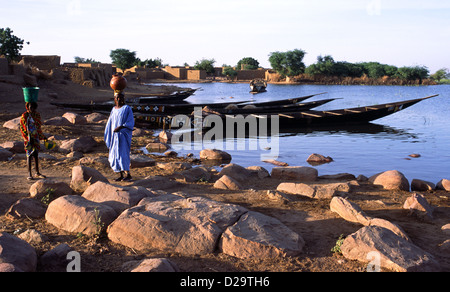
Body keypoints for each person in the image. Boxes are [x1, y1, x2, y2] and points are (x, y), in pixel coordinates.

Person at [104, 92, 135, 181]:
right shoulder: (113, 109)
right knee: (114, 155)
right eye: (117, 98)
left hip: (123, 136)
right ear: (114, 99)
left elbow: (130, 122)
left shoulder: (127, 108)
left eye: (120, 98)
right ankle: (120, 174)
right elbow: (110, 123)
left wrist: (121, 127)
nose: (119, 99)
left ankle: (128, 175)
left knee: (123, 155)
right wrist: (109, 132)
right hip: (114, 137)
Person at [19, 102, 47, 180]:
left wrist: (42, 137)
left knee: (35, 154)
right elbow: (22, 127)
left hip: (35, 137)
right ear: (27, 107)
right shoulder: (25, 115)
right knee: (29, 155)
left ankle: (37, 172)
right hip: (28, 138)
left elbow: (38, 127)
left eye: (33, 107)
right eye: (30, 107)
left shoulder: (37, 115)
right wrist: (27, 138)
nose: (32, 109)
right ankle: (29, 174)